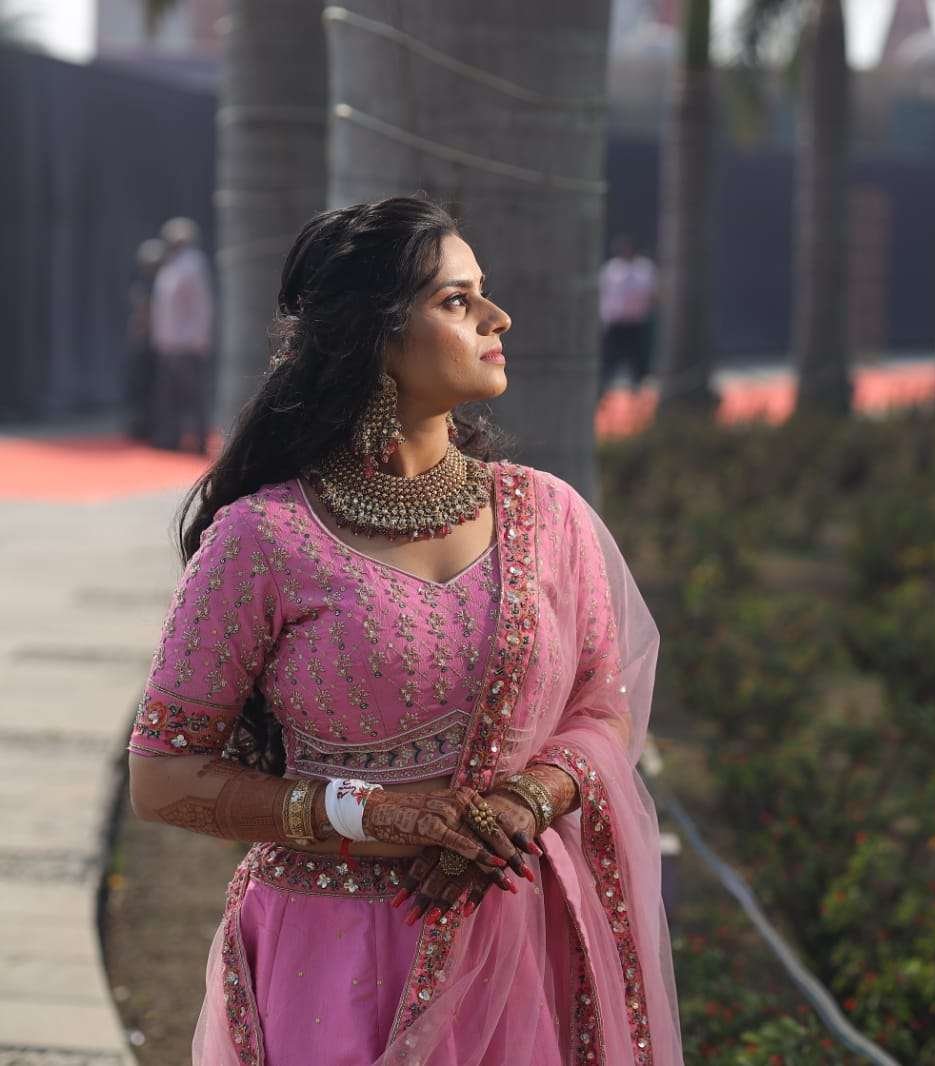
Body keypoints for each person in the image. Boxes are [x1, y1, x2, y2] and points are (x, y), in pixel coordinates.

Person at [126, 197, 682, 1065]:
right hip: (334, 952)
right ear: (376, 336)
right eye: (457, 301)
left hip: (519, 938)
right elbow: (162, 774)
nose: (497, 318)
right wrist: (369, 814)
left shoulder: (548, 515)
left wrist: (521, 803)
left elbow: (601, 707)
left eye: (482, 292)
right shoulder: (263, 539)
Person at [150, 217, 216, 454]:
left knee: (193, 395)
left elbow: (201, 305)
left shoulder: (193, 265)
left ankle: (199, 441)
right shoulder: (170, 265)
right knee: (170, 396)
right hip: (169, 343)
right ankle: (171, 438)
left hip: (187, 343)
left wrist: (200, 338)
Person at [596, 235, 657, 399]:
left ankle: (639, 393)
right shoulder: (610, 269)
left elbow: (652, 294)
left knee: (639, 360)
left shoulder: (645, 269)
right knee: (609, 360)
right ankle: (603, 390)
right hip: (616, 323)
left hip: (636, 323)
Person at [126, 237, 167, 442]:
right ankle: (140, 426)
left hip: (158, 341)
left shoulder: (163, 284)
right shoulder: (143, 285)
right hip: (144, 342)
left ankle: (152, 426)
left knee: (155, 388)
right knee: (140, 387)